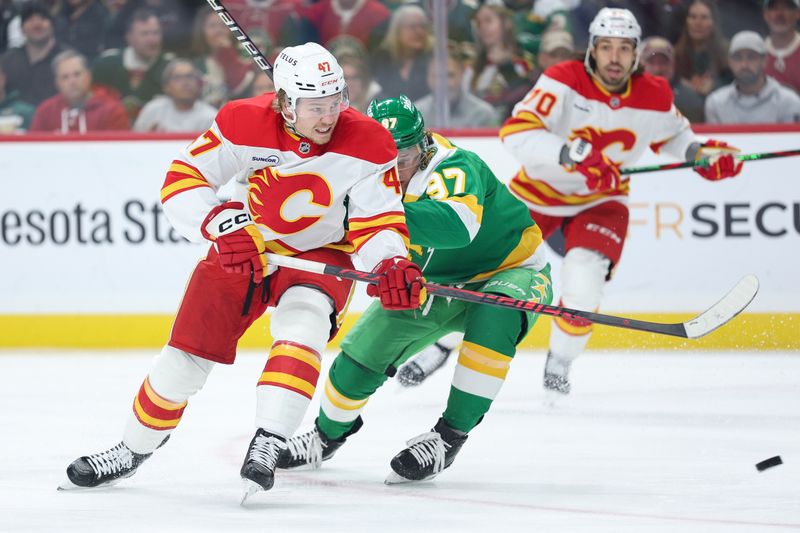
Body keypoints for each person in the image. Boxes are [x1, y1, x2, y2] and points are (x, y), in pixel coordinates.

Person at [62, 42, 424, 500]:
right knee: (185, 360)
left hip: (321, 251)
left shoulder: (370, 140)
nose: (329, 116)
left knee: (304, 325)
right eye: (316, 105)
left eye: (336, 101)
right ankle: (131, 448)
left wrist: (390, 261)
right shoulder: (241, 121)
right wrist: (222, 224)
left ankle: (269, 440)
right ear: (286, 102)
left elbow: (379, 221)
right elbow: (183, 180)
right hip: (246, 245)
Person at [275, 95, 552, 483]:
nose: (395, 170)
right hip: (430, 281)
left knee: (498, 311)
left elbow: (456, 226)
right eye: (385, 158)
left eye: (402, 158)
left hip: (510, 270)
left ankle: (448, 437)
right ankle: (326, 437)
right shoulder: (353, 170)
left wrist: (366, 215)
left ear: (423, 147)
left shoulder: (453, 165)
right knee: (357, 361)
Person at [498, 8, 744, 396]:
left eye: (625, 48)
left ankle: (559, 363)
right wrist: (573, 155)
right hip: (538, 192)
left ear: (637, 53)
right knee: (486, 270)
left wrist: (703, 156)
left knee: (583, 287)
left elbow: (677, 139)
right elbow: (516, 132)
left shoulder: (655, 93)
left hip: (602, 199)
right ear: (592, 50)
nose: (615, 57)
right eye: (606, 47)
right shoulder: (563, 79)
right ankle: (442, 344)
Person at [92, 7, 173, 121]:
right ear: (129, 37)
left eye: (156, 33)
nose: (152, 40)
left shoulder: (170, 67)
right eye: (145, 34)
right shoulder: (106, 64)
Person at [705, 31, 800, 123]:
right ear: (730, 62)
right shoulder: (716, 103)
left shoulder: (789, 102)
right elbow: (715, 139)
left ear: (765, 61)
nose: (744, 65)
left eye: (751, 57)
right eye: (738, 58)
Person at [30, 49, 129, 132]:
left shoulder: (112, 110)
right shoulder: (46, 111)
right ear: (57, 83)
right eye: (65, 77)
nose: (72, 82)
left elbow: (119, 151)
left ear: (89, 76)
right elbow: (33, 150)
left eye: (77, 74)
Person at [413, 43, 500, 128]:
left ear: (462, 74)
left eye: (449, 75)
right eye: (437, 76)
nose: (443, 84)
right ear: (428, 78)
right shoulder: (414, 116)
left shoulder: (483, 115)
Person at [0, 1, 68, 106]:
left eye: (42, 18)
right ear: (22, 29)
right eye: (30, 19)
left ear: (52, 25)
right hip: (12, 120)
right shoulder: (6, 61)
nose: (37, 24)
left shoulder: (68, 60)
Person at [133, 58, 218, 132]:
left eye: (190, 76)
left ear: (199, 83)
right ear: (166, 87)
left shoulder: (211, 117)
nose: (185, 82)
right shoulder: (153, 110)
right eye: (178, 77)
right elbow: (135, 143)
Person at [640, 36, 706, 123]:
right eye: (651, 62)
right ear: (640, 64)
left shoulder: (689, 99)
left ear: (673, 64)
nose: (658, 69)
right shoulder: (629, 94)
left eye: (663, 62)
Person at [763, 0, 800, 94]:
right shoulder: (755, 53)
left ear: (798, 13)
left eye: (786, 8)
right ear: (766, 14)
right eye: (774, 8)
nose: (779, 14)